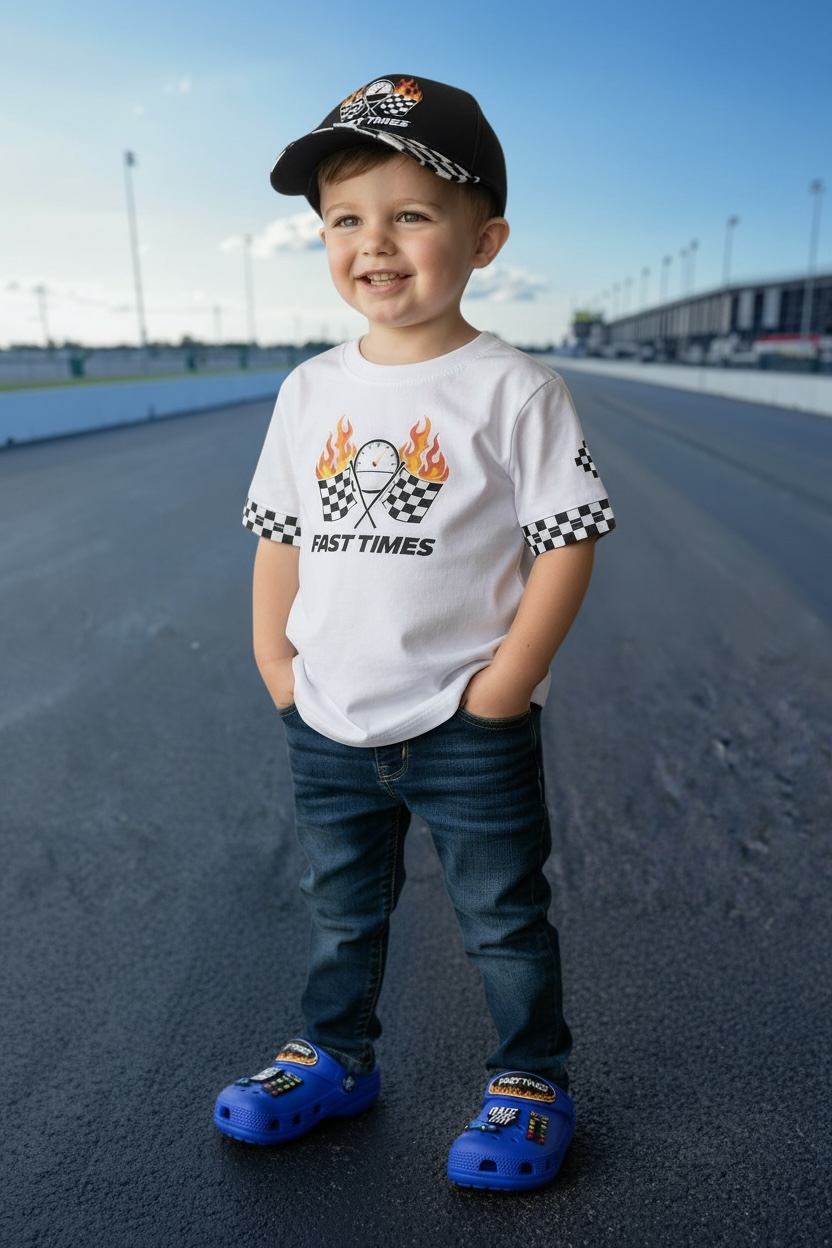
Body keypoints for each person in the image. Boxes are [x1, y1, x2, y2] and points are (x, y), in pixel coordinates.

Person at [213, 73, 615, 1193]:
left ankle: (531, 1077)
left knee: (502, 915)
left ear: (484, 241)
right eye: (345, 218)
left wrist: (507, 684)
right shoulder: (309, 392)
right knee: (340, 911)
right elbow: (281, 534)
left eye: (410, 214)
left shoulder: (515, 390)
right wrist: (275, 660)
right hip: (327, 715)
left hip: (465, 721)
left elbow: (568, 540)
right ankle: (336, 1057)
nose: (374, 243)